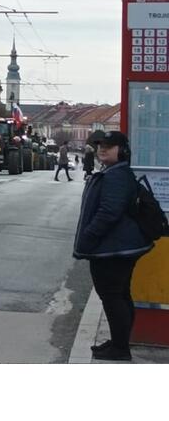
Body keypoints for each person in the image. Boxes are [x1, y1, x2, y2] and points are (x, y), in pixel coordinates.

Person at [73, 131, 154, 361]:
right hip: (119, 246)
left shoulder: (116, 176)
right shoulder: (114, 172)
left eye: (109, 146)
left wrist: (89, 236)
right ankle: (119, 342)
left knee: (111, 296)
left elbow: (109, 212)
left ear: (122, 150)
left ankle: (120, 348)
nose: (102, 149)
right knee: (119, 294)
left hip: (114, 249)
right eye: (100, 145)